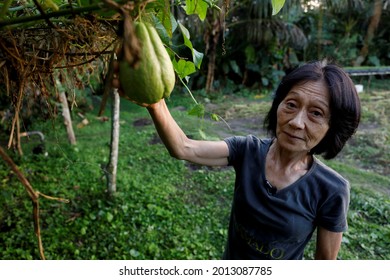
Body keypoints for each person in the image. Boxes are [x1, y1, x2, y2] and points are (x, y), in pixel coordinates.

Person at [113, 59, 361, 260]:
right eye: (291, 104)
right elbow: (184, 148)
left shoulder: (332, 190)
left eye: (316, 113)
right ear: (278, 106)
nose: (296, 122)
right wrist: (154, 102)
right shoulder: (248, 151)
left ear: (332, 127)